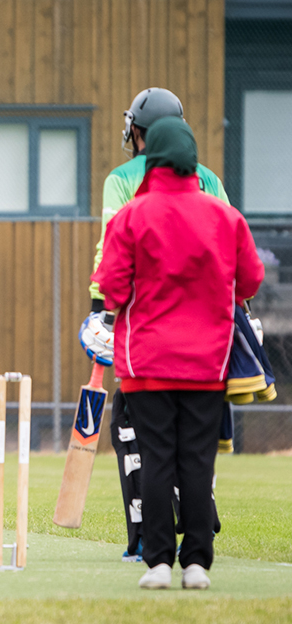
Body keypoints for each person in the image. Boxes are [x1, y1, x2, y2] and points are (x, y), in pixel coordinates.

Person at [93, 117, 264, 590]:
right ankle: (197, 565)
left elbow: (109, 286)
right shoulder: (223, 217)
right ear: (191, 159)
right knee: (196, 459)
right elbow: (249, 280)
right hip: (207, 362)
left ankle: (158, 564)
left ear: (150, 159)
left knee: (156, 458)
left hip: (145, 362)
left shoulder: (132, 215)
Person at [80, 88, 230, 562]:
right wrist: (245, 315)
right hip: (210, 332)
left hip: (145, 326)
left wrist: (103, 309)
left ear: (141, 133)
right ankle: (200, 523)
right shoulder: (210, 180)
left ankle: (147, 539)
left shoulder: (123, 179)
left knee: (134, 428)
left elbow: (113, 246)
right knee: (197, 433)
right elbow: (232, 249)